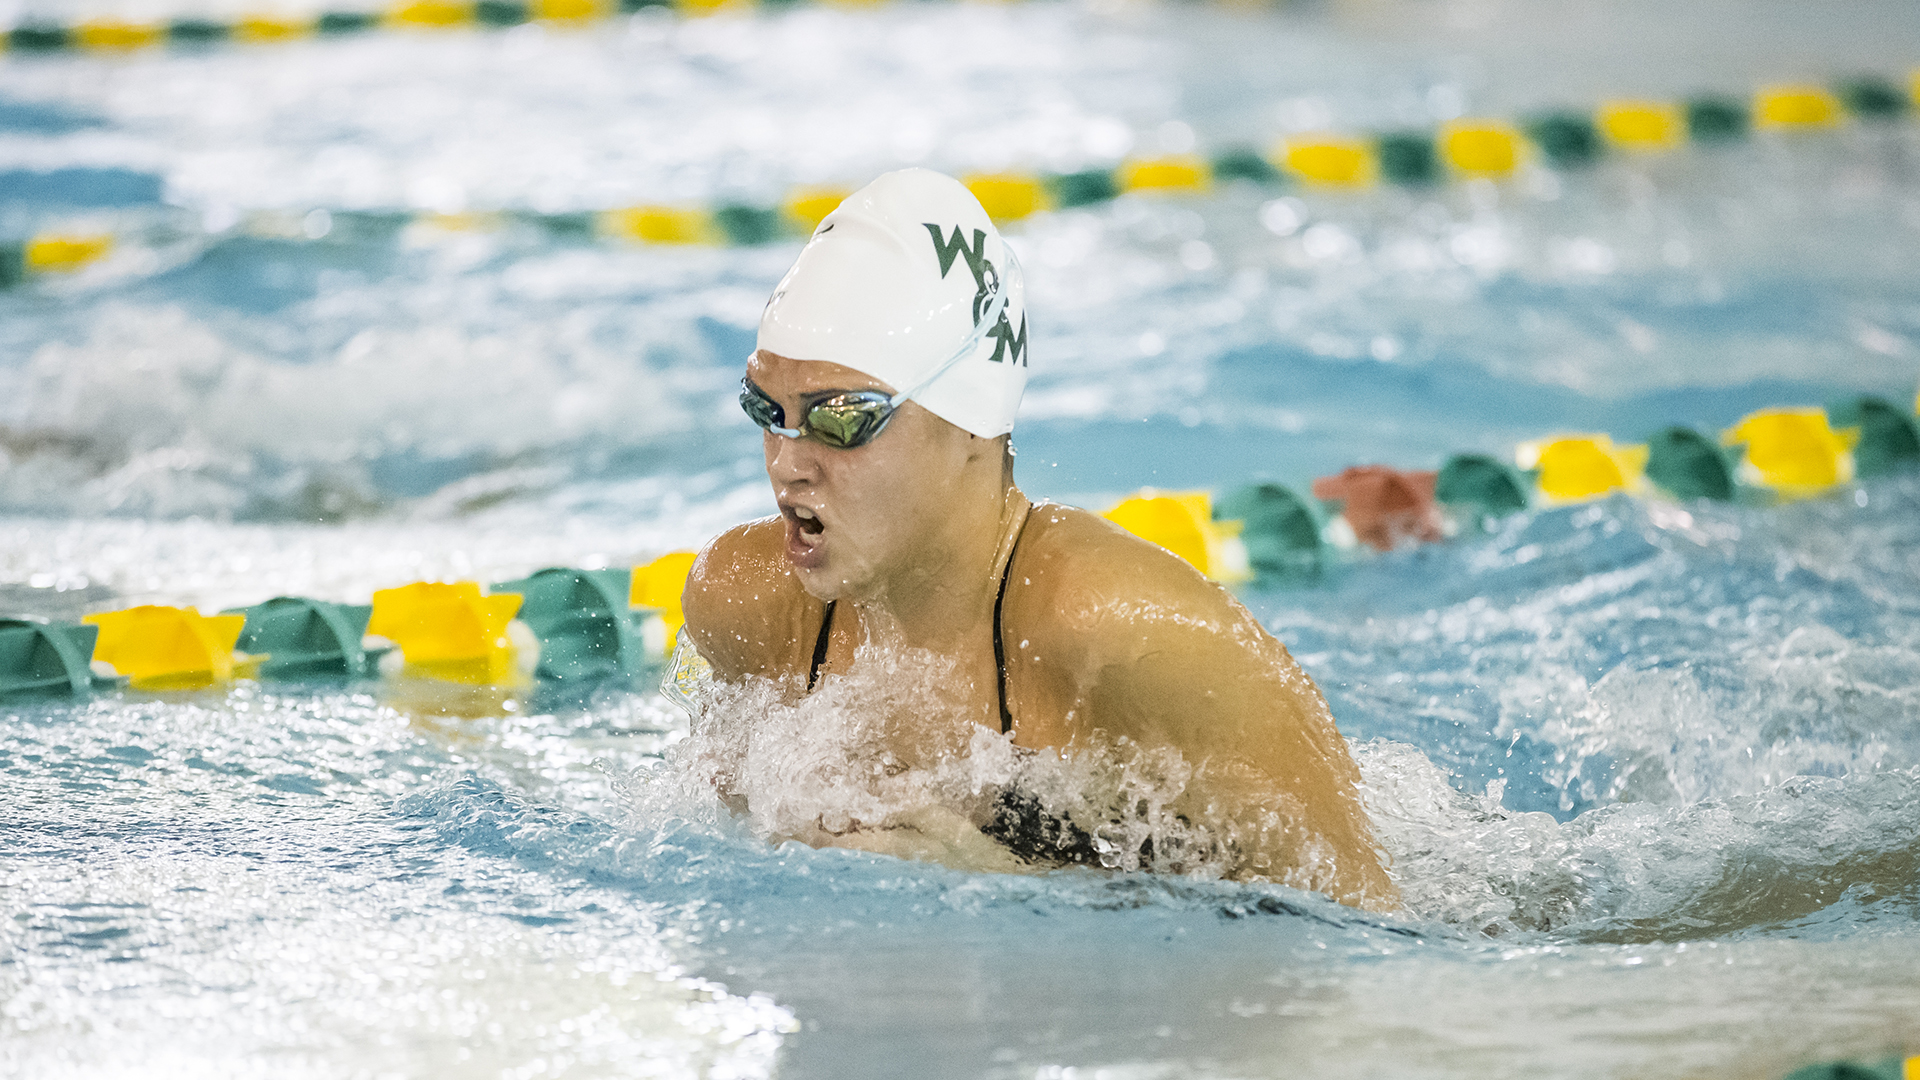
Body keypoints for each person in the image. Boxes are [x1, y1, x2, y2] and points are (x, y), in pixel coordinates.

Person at [681, 169, 1398, 912]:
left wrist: (1007, 880)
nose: (788, 462)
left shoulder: (1128, 636)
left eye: (840, 420)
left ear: (969, 421)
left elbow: (1362, 929)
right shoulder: (747, 605)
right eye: (766, 409)